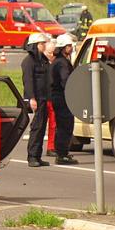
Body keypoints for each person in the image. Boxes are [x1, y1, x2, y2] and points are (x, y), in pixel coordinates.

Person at [22, 32, 52, 167]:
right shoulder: (29, 61)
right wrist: (32, 98)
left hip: (44, 98)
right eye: (41, 44)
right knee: (37, 127)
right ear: (35, 45)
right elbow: (28, 81)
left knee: (42, 127)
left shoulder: (43, 60)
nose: (44, 46)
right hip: (37, 99)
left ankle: (38, 156)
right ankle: (32, 156)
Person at [51, 33, 79, 165]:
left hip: (58, 97)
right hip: (62, 98)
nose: (71, 48)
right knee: (65, 125)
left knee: (63, 125)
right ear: (64, 47)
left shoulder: (58, 61)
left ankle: (62, 152)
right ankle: (62, 155)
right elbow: (65, 81)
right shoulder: (62, 63)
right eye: (69, 46)